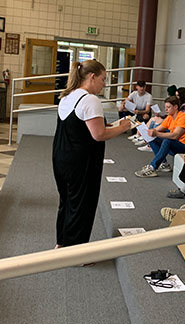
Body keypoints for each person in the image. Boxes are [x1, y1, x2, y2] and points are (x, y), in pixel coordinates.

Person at [52, 60, 131, 248]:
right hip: (81, 162)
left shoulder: (67, 97)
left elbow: (80, 127)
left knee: (67, 202)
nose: (105, 84)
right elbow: (99, 134)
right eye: (103, 79)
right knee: (82, 205)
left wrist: (110, 126)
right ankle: (77, 251)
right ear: (92, 77)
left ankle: (62, 244)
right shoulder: (90, 100)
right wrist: (123, 127)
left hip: (61, 157)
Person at [135, 96, 185, 178]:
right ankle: (164, 164)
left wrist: (156, 133)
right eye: (165, 107)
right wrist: (148, 133)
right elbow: (157, 129)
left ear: (176, 107)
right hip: (176, 144)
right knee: (152, 138)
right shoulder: (170, 117)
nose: (166, 109)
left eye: (168, 107)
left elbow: (175, 135)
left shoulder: (183, 118)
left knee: (168, 140)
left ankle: (153, 167)